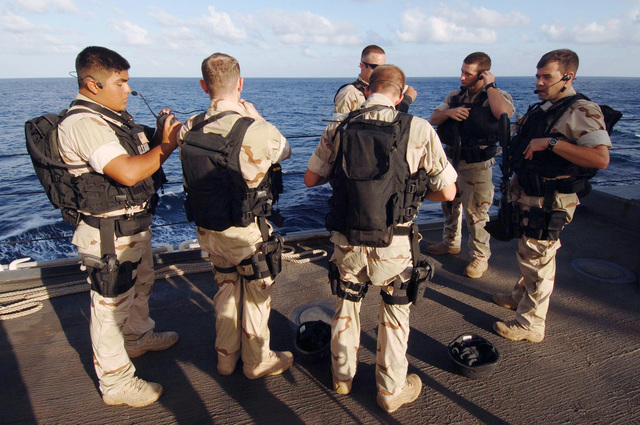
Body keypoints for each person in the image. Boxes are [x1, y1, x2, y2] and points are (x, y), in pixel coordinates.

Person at [305, 65, 457, 413]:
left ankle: (342, 378)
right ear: (400, 95)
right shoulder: (417, 128)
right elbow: (448, 192)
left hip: (347, 240)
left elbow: (311, 179)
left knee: (346, 305)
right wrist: (415, 197)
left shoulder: (339, 126)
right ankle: (390, 391)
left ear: (367, 88)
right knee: (394, 313)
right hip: (395, 242)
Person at [57, 46, 181, 407]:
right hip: (107, 236)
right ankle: (115, 383)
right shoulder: (84, 124)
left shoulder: (112, 119)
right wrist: (167, 147)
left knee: (140, 284)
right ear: (92, 85)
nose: (129, 89)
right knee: (110, 308)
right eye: (121, 82)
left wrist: (159, 137)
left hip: (131, 226)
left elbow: (138, 158)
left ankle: (138, 338)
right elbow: (127, 172)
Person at [177, 53, 293, 380]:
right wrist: (257, 117)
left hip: (208, 229)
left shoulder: (189, 128)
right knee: (256, 295)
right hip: (246, 231)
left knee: (226, 287)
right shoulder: (257, 130)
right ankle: (257, 362)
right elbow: (284, 150)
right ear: (240, 84)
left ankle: (225, 359)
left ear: (204, 86)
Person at [492, 49, 611, 342]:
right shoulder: (541, 110)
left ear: (567, 77)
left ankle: (531, 323)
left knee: (540, 258)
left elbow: (600, 158)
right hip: (528, 192)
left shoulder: (582, 110)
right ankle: (521, 295)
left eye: (548, 76)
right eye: (538, 75)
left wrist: (552, 142)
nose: (540, 81)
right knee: (528, 252)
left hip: (550, 199)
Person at [428, 52, 515, 279]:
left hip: (477, 165)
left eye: (468, 73)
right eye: (462, 72)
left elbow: (503, 113)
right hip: (450, 161)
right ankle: (451, 242)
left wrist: (491, 86)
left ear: (482, 75)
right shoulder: (455, 96)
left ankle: (479, 257)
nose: (462, 77)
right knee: (449, 205)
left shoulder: (496, 95)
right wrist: (449, 112)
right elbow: (433, 119)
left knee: (476, 213)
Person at [333, 45, 417, 115]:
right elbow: (337, 127)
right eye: (375, 67)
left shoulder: (387, 86)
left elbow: (411, 90)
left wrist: (405, 102)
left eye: (382, 67)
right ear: (362, 66)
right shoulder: (349, 94)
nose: (380, 71)